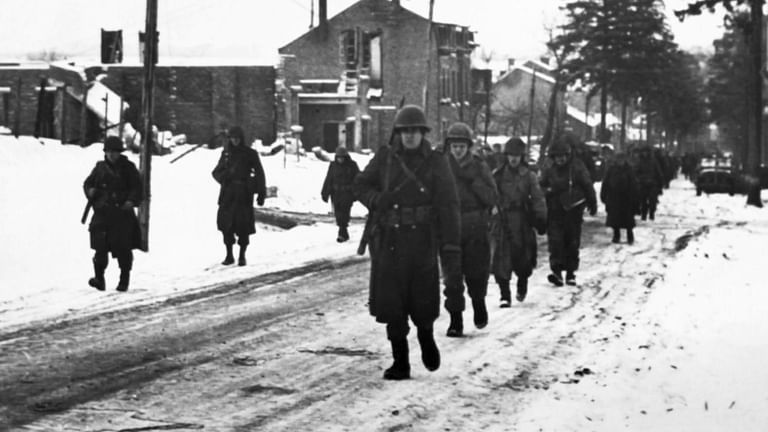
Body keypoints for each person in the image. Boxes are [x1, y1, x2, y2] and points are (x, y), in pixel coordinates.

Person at [353, 104, 461, 380]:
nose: (410, 135)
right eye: (404, 131)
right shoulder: (385, 158)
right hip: (390, 241)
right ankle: (400, 361)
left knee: (423, 299)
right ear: (398, 133)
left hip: (423, 239)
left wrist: (450, 244)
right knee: (392, 303)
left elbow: (449, 204)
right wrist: (376, 199)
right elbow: (360, 185)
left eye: (415, 130)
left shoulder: (436, 161)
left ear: (423, 133)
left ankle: (426, 336)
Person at [442, 122, 497, 337]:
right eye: (454, 146)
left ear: (469, 147)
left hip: (475, 227)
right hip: (449, 227)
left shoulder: (479, 166)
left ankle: (479, 304)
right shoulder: (442, 166)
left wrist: (474, 181)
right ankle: (456, 320)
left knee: (476, 272)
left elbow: (492, 197)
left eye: (462, 146)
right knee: (452, 278)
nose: (458, 150)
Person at [490, 137, 547, 304]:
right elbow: (490, 196)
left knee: (524, 257)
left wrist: (541, 218)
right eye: (511, 155)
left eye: (517, 155)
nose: (513, 159)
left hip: (522, 221)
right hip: (503, 220)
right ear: (506, 156)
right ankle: (504, 295)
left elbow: (537, 198)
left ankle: (522, 283)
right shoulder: (498, 175)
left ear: (522, 156)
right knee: (501, 258)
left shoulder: (529, 176)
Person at [83, 136, 143, 292]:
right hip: (102, 214)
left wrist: (131, 201)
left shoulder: (128, 168)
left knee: (123, 249)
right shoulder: (100, 168)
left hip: (122, 215)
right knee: (100, 248)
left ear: (119, 152)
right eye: (109, 151)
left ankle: (124, 280)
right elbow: (88, 183)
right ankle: (99, 279)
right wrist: (90, 191)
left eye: (114, 152)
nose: (111, 154)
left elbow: (137, 188)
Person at [539, 139, 597, 287]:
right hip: (554, 210)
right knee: (555, 242)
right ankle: (557, 272)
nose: (560, 159)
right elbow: (540, 185)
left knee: (572, 241)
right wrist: (548, 192)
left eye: (563, 156)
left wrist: (592, 202)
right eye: (557, 156)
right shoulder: (549, 168)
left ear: (568, 155)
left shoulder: (576, 167)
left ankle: (570, 272)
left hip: (573, 210)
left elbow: (587, 184)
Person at [212, 126, 266, 266]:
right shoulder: (226, 154)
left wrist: (261, 193)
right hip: (228, 194)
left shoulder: (250, 154)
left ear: (241, 139)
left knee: (243, 226)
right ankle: (229, 255)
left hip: (243, 194)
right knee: (226, 225)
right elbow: (216, 172)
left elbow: (260, 173)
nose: (235, 141)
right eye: (232, 138)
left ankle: (242, 255)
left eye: (237, 138)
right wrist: (225, 177)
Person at [321, 146, 360, 242]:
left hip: (347, 193)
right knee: (338, 214)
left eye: (342, 157)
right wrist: (325, 193)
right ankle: (344, 232)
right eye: (338, 157)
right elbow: (329, 179)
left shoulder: (352, 165)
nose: (340, 159)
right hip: (336, 193)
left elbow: (358, 179)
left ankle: (342, 233)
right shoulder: (333, 165)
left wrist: (356, 193)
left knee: (344, 213)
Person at [600, 152, 639, 244]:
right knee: (615, 219)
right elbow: (606, 183)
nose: (620, 161)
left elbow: (634, 184)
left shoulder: (629, 170)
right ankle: (616, 235)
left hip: (627, 198)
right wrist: (604, 195)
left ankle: (630, 235)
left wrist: (635, 197)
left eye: (621, 159)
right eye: (618, 159)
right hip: (614, 197)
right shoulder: (611, 169)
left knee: (628, 219)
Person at [631, 145, 664, 221]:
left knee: (653, 200)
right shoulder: (640, 161)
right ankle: (644, 214)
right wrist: (639, 179)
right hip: (642, 184)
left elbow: (658, 172)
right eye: (643, 152)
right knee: (643, 200)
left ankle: (652, 212)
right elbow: (635, 172)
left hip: (653, 184)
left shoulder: (653, 161)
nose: (645, 153)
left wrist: (660, 182)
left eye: (646, 152)